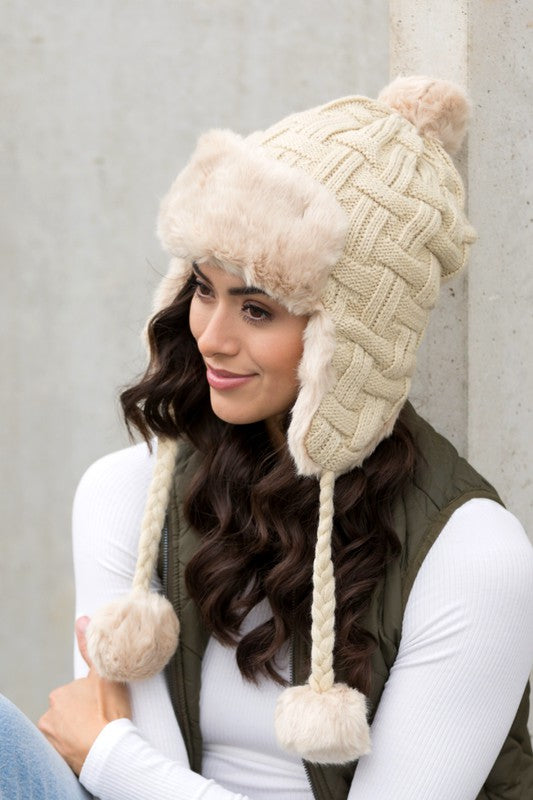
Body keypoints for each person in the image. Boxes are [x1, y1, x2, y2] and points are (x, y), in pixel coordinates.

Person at [1, 75, 532, 800]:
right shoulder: (128, 493)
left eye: (257, 309)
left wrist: (107, 758)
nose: (211, 338)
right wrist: (114, 764)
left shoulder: (473, 552)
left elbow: (117, 766)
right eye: (203, 289)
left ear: (349, 339)